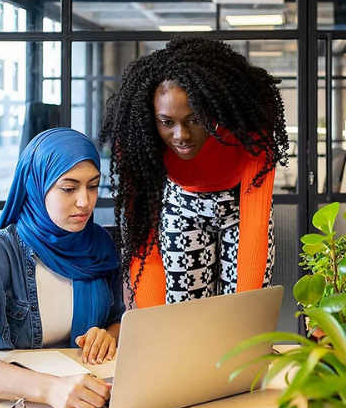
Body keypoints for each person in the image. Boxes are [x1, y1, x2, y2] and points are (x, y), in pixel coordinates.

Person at [0, 128, 123, 408]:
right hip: (23, 403)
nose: (85, 202)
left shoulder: (100, 246)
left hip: (92, 399)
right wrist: (51, 389)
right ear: (36, 186)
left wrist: (109, 335)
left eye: (93, 186)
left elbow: (118, 320)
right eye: (69, 188)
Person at [100, 36, 289, 307]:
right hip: (181, 207)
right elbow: (145, 243)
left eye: (195, 120)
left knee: (241, 314)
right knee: (182, 314)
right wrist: (156, 325)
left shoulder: (249, 127)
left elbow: (255, 224)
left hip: (240, 210)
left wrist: (244, 322)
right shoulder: (136, 138)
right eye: (167, 122)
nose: (181, 135)